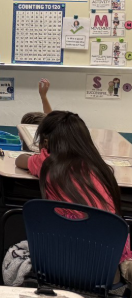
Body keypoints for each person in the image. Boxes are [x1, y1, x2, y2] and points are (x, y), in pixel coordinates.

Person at [15, 111, 131, 280]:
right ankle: (126, 266)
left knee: (14, 253)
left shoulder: (48, 162)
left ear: (46, 143)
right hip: (105, 261)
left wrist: (39, 155)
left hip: (62, 259)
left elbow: (20, 160)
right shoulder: (100, 168)